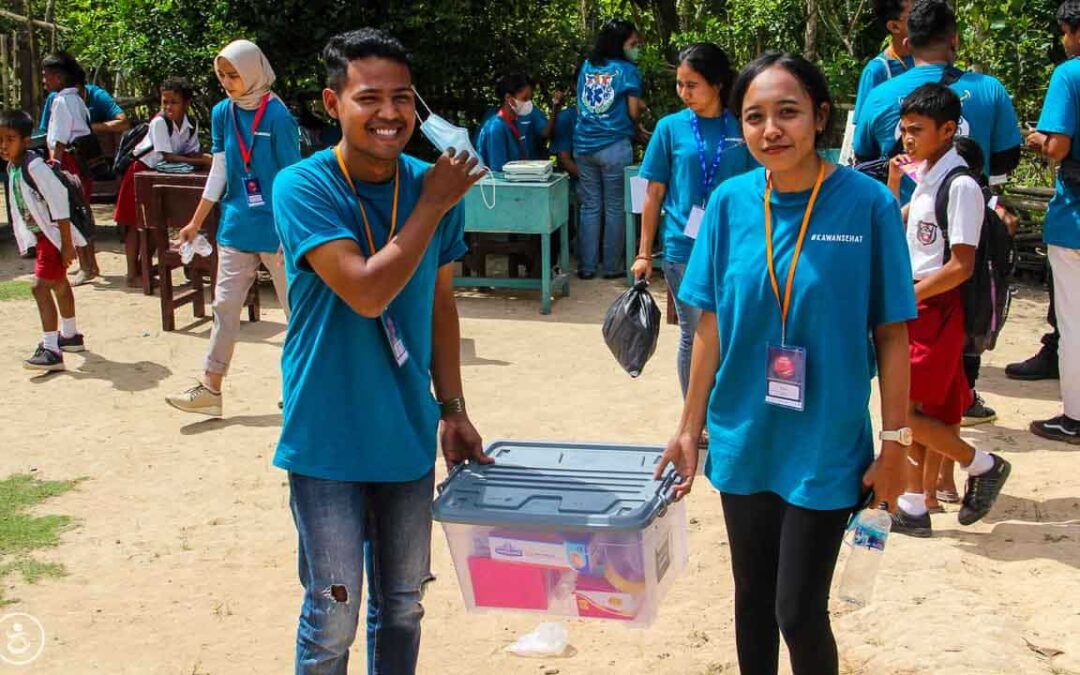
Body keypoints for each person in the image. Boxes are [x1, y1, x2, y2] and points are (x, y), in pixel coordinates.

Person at [656, 52, 916, 675]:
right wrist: (690, 430)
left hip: (826, 440)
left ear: (820, 117)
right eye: (754, 117)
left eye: (787, 113)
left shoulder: (867, 206)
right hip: (745, 435)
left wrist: (897, 442)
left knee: (797, 610)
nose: (771, 129)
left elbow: (892, 334)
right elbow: (710, 324)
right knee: (752, 603)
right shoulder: (727, 204)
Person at [272, 28, 489, 673]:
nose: (390, 114)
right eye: (370, 98)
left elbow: (441, 304)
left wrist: (451, 408)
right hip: (325, 437)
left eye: (402, 98)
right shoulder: (302, 186)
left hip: (405, 433)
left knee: (402, 606)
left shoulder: (431, 183)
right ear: (332, 103)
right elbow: (367, 292)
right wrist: (432, 205)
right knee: (332, 612)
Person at [885, 83, 1012, 537]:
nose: (907, 139)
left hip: (934, 306)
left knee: (903, 411)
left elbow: (961, 265)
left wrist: (909, 295)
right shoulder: (929, 178)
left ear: (948, 130)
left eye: (917, 130)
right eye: (904, 130)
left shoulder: (960, 186)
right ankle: (915, 505)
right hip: (921, 303)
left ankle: (982, 463)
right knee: (929, 411)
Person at [164, 39, 300, 418]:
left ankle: (298, 390)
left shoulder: (279, 118)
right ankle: (210, 388)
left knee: (296, 312)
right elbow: (220, 168)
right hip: (236, 226)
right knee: (224, 307)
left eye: (234, 74)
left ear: (253, 71)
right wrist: (195, 221)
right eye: (221, 74)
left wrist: (292, 231)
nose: (227, 81)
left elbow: (293, 178)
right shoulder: (222, 112)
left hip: (277, 232)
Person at [635, 42, 755, 398]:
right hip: (682, 247)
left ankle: (723, 408)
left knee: (730, 330)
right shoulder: (669, 128)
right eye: (680, 84)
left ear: (717, 84)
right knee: (694, 330)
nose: (683, 93)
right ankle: (695, 415)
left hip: (735, 247)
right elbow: (652, 192)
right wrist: (644, 253)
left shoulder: (742, 127)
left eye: (692, 85)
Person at [854, 0, 1022, 205]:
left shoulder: (878, 96)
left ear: (908, 44)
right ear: (955, 41)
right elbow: (1006, 160)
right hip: (969, 221)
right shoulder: (990, 89)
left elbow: (864, 161)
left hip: (902, 227)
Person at [1024, 0, 1080, 445]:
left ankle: (1075, 417)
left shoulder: (1070, 74)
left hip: (1076, 219)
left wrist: (1039, 138)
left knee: (1075, 320)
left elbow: (1059, 147)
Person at [1, 109, 87, 371]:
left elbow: (59, 199)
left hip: (52, 236)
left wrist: (66, 243)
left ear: (26, 142)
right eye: (0, 139)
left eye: (10, 139)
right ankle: (70, 336)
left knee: (39, 287)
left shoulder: (34, 166)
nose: (4, 145)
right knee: (58, 283)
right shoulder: (13, 167)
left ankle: (51, 350)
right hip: (43, 237)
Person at [113, 77, 211, 287]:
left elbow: (190, 152)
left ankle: (145, 270)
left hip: (161, 176)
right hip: (140, 172)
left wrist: (200, 158)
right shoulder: (159, 122)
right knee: (135, 225)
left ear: (186, 104)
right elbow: (167, 156)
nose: (168, 107)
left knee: (154, 225)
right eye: (164, 102)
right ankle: (133, 273)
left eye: (173, 102)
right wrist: (201, 159)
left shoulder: (190, 125)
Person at [574, 19, 648, 279]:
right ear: (620, 44)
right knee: (615, 206)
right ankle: (612, 267)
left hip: (583, 144)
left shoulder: (587, 65)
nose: (636, 47)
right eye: (633, 43)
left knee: (590, 206)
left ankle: (587, 267)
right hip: (614, 145)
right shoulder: (627, 70)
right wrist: (638, 128)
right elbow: (631, 110)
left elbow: (580, 106)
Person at [42, 54, 101, 286]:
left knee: (75, 212)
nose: (45, 82)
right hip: (81, 162)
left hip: (68, 162)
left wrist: (54, 167)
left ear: (57, 77)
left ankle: (88, 266)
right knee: (81, 209)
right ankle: (89, 264)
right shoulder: (77, 99)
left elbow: (59, 138)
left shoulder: (60, 101)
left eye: (47, 77)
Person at [39, 52, 130, 135]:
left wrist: (86, 129)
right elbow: (46, 132)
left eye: (45, 76)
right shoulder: (53, 98)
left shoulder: (98, 96)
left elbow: (123, 123)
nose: (44, 81)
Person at [853, 0, 915, 122]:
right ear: (894, 26)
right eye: (914, 14)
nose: (924, 17)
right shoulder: (877, 71)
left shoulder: (931, 60)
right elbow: (863, 128)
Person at [475, 72, 544, 171]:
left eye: (530, 98)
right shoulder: (496, 129)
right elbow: (498, 174)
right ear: (508, 98)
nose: (528, 103)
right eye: (524, 98)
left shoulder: (513, 123)